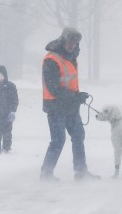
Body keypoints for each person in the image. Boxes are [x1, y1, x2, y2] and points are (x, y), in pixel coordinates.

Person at [39, 27, 99, 181]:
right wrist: (74, 97)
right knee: (58, 140)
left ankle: (81, 171)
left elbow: (68, 83)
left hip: (71, 106)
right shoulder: (51, 59)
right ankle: (46, 173)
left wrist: (77, 95)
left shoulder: (71, 57)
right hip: (55, 106)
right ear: (62, 41)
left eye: (75, 43)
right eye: (69, 42)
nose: (72, 46)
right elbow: (53, 87)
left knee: (78, 136)